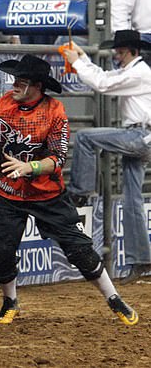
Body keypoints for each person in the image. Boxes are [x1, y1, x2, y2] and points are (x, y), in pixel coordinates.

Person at [0, 54, 139, 326]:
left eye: (22, 81)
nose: (14, 85)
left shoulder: (54, 112)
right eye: (15, 79)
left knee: (80, 250)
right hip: (5, 193)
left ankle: (114, 298)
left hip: (47, 195)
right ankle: (10, 301)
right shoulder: (2, 104)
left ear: (37, 86)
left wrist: (29, 168)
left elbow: (58, 158)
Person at [62, 30, 151, 285]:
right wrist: (82, 59)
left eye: (120, 51)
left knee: (86, 138)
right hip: (141, 137)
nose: (116, 55)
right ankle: (141, 260)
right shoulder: (135, 70)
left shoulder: (139, 73)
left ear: (132, 51)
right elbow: (105, 78)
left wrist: (77, 61)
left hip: (138, 136)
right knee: (133, 200)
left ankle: (81, 190)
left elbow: (103, 84)